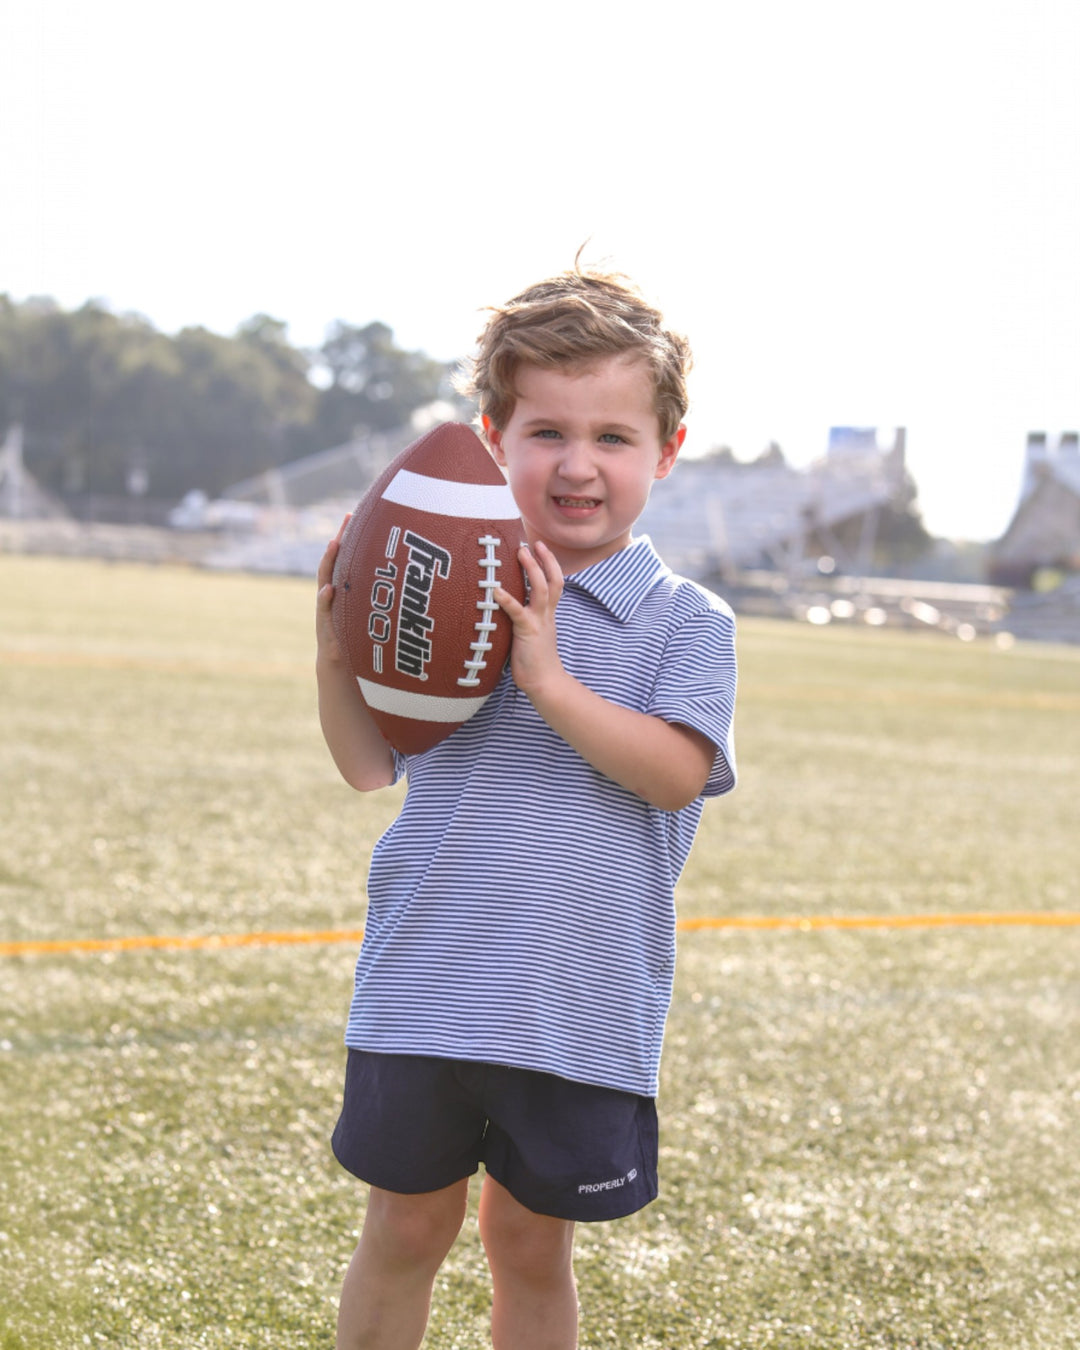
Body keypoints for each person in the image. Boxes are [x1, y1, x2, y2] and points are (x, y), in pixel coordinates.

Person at [314, 262, 738, 1350]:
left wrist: (547, 678)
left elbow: (675, 774)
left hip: (575, 1003)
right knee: (403, 1230)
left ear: (666, 451)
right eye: (546, 432)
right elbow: (366, 767)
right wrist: (336, 644)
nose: (578, 464)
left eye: (612, 437)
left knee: (531, 1246)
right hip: (425, 985)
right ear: (493, 439)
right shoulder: (454, 585)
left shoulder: (687, 621)